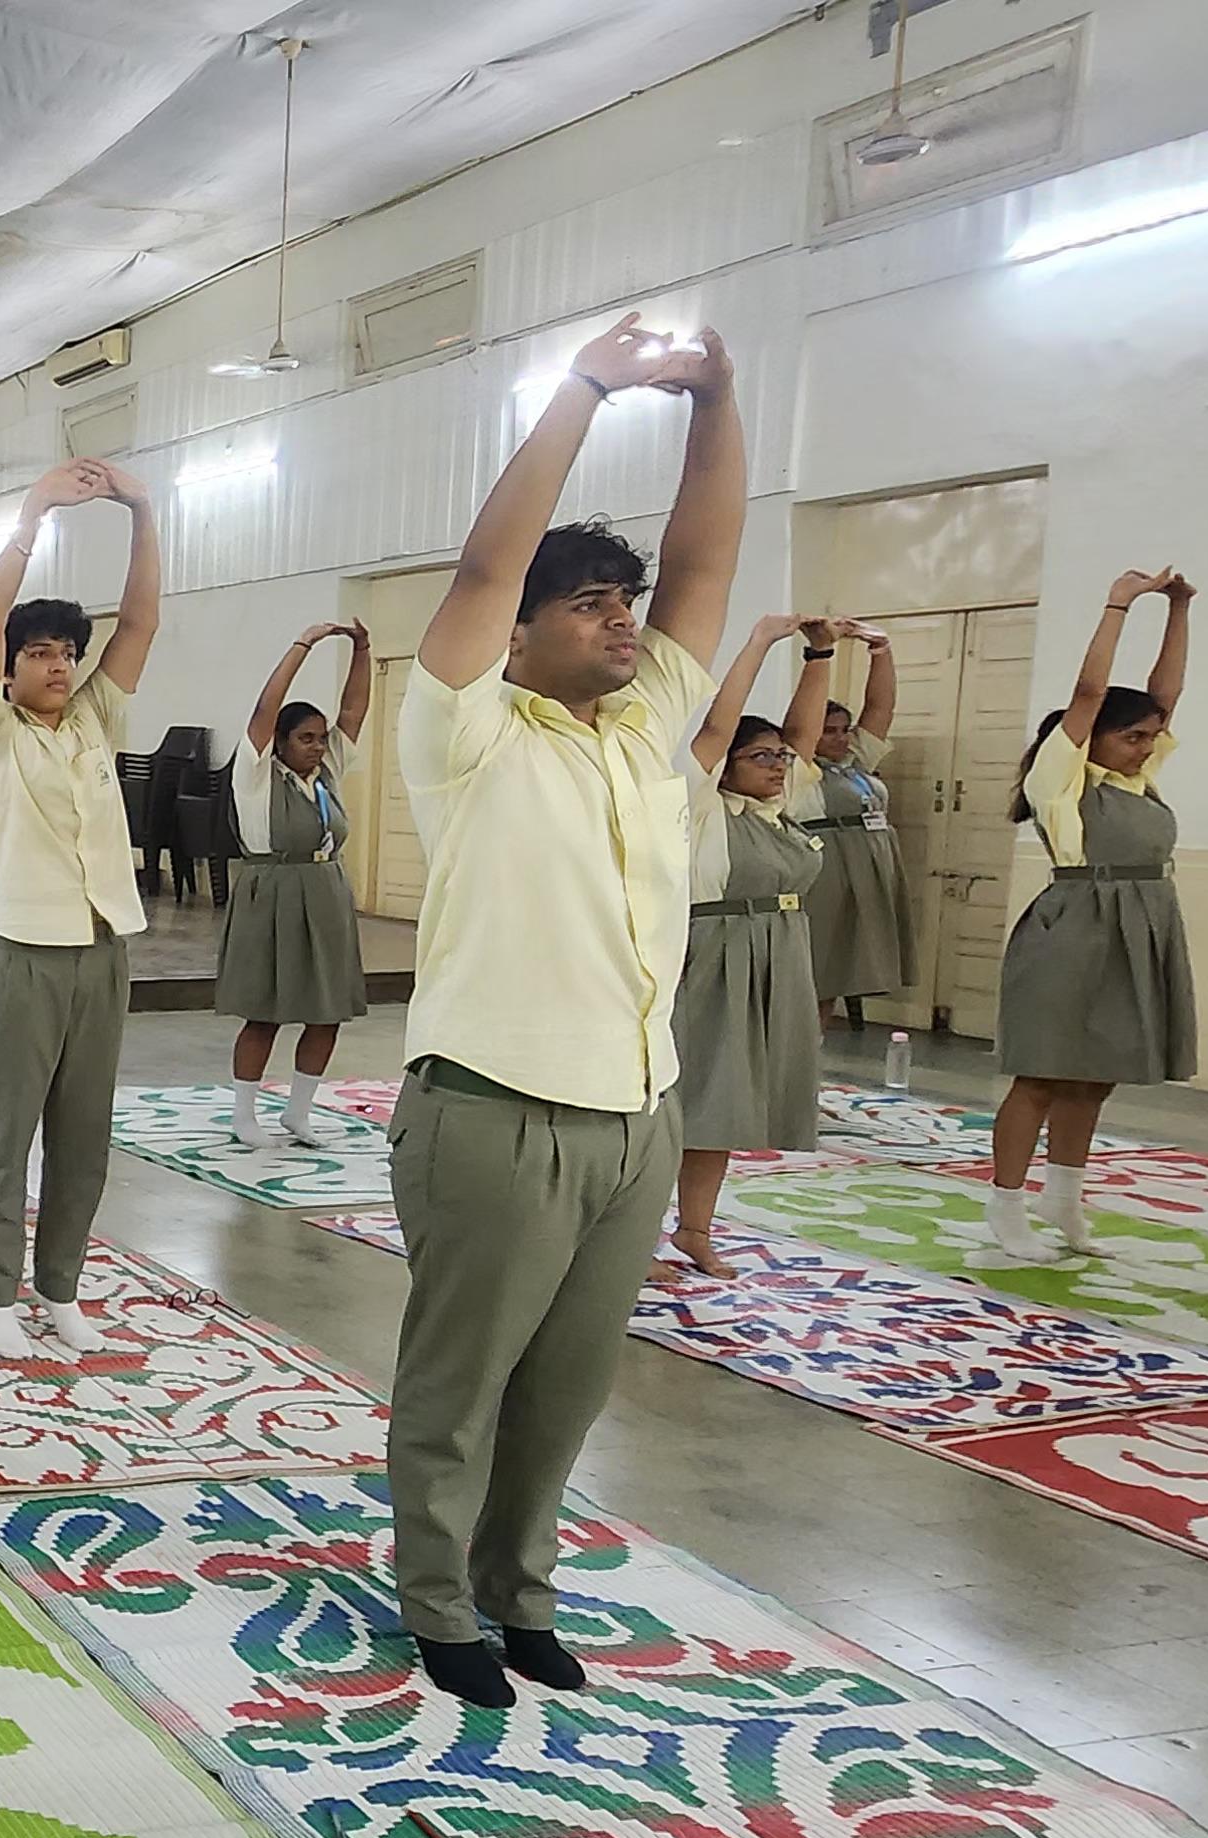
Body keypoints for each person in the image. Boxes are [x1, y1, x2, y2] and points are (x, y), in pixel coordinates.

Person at [389, 312, 742, 1710]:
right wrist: (589, 386)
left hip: (633, 1112)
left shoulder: (646, 724)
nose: (622, 619)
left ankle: (518, 1588)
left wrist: (720, 397)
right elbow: (485, 561)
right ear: (519, 631)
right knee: (464, 1381)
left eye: (624, 601)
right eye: (587, 601)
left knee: (570, 1383)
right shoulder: (465, 729)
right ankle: (437, 1600)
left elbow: (706, 558)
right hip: (493, 1106)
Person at [0, 455, 161, 1362]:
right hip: (20, 950)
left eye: (68, 654)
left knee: (84, 1136)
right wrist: (34, 512)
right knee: (6, 1131)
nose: (59, 667)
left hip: (100, 948)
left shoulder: (92, 721)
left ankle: (61, 1287)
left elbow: (144, 620)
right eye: (42, 654)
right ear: (12, 666)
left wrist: (144, 513)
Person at [986, 568, 1200, 1257]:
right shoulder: (1063, 780)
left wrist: (1179, 609)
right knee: (1044, 1072)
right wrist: (1118, 603)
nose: (1146, 746)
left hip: (1138, 928)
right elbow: (1089, 692)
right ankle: (1006, 1207)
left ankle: (1064, 1200)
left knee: (1094, 1073)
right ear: (1093, 738)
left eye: (1149, 738)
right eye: (1132, 737)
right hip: (1074, 930)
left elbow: (1165, 696)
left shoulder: (1139, 782)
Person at [670, 614, 849, 1278]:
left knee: (728, 1107)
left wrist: (821, 653)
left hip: (779, 958)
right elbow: (717, 730)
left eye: (781, 757)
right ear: (726, 768)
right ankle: (624, 1238)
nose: (780, 766)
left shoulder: (781, 811)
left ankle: (695, 1229)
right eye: (763, 756)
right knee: (685, 1103)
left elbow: (803, 735)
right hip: (712, 959)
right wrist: (759, 643)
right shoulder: (702, 808)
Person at [220, 619, 374, 1148]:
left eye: (319, 738)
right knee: (265, 1014)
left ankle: (299, 1112)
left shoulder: (326, 772)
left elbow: (354, 711)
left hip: (325, 892)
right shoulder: (256, 774)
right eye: (304, 739)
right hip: (273, 894)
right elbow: (265, 711)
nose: (316, 746)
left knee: (327, 1012)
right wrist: (303, 646)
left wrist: (362, 649)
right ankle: (244, 1114)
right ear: (280, 743)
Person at [801, 629, 911, 1021]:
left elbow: (881, 708)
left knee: (845, 968)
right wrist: (821, 654)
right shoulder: (800, 770)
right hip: (828, 871)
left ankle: (817, 1045)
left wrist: (881, 650)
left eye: (842, 729)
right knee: (821, 969)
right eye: (827, 731)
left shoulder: (856, 761)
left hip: (868, 869)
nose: (839, 738)